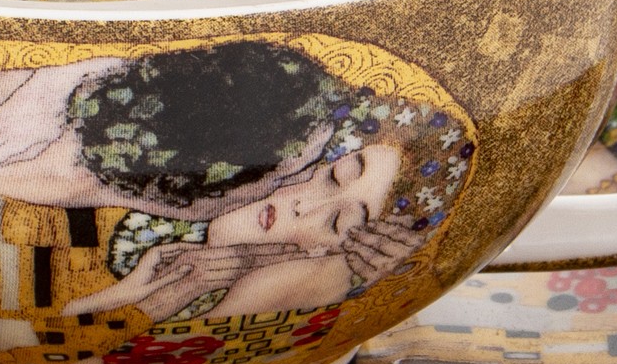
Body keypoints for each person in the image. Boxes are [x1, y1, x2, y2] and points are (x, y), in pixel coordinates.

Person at [63, 102, 475, 322]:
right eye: (333, 175)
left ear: (322, 251)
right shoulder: (153, 183)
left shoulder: (288, 286)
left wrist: (165, 296)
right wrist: (130, 295)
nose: (303, 205)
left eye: (338, 223)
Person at [0, 41, 356, 217]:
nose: (290, 180)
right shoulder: (120, 96)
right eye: (292, 168)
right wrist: (49, 93)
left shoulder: (203, 198)